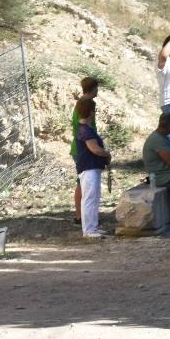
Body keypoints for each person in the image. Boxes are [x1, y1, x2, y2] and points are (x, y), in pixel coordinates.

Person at [73, 97, 111, 239]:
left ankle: (93, 227)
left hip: (92, 167)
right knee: (89, 198)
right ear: (90, 112)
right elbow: (94, 149)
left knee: (93, 198)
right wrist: (107, 154)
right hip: (88, 168)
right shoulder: (85, 131)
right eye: (93, 111)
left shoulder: (84, 129)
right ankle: (89, 230)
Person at [70, 76, 99, 225]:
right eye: (97, 88)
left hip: (84, 146)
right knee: (82, 183)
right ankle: (81, 216)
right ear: (93, 88)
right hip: (82, 148)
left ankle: (83, 215)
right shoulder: (84, 105)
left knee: (82, 183)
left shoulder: (85, 103)